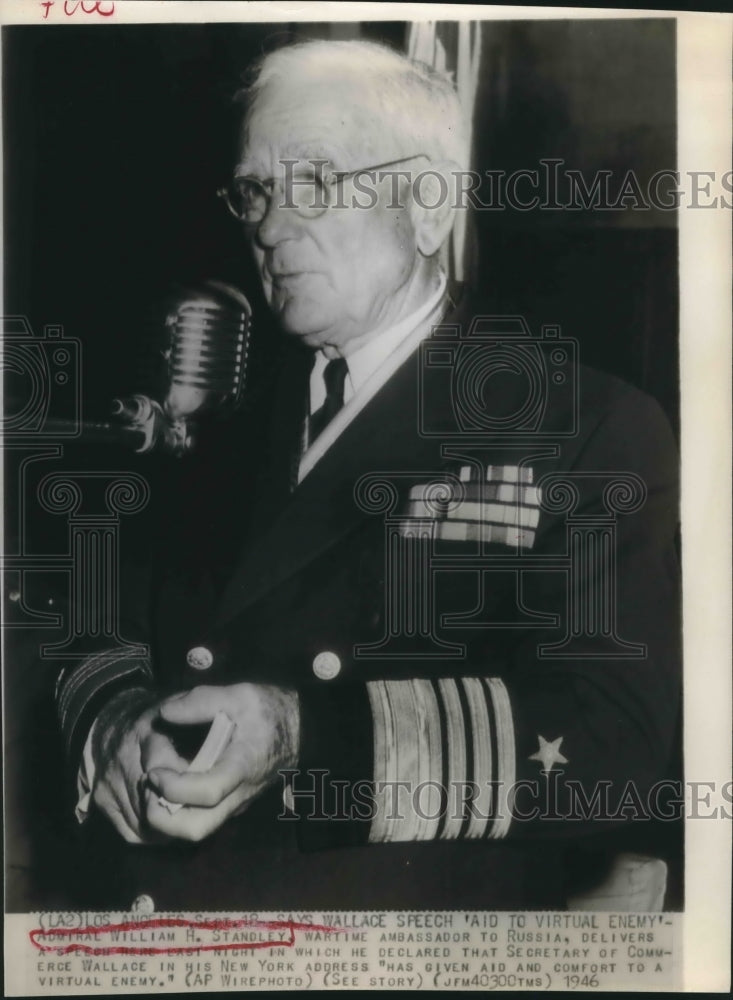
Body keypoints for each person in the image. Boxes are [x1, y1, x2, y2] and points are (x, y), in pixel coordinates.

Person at [54, 38, 681, 910]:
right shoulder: (214, 421)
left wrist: (303, 735)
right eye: (256, 190)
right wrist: (110, 722)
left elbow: (613, 739)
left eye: (315, 180)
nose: (270, 226)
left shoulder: (583, 430)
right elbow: (90, 614)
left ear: (428, 209)